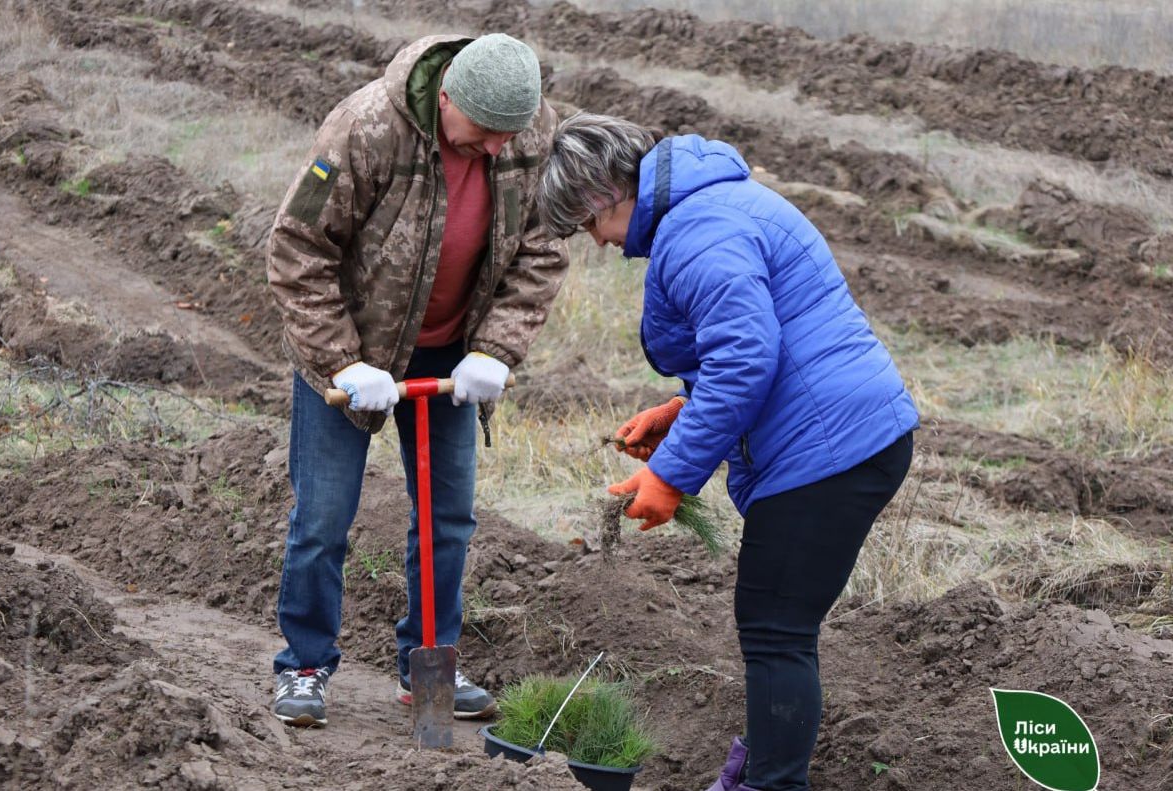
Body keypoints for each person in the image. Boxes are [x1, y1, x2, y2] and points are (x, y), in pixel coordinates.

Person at [538, 113, 919, 791]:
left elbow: (746, 358)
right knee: (777, 622)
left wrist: (672, 474)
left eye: (584, 224)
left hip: (828, 451)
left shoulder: (694, 232)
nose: (595, 242)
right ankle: (764, 767)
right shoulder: (712, 203)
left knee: (775, 626)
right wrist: (682, 417)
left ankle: (771, 784)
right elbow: (763, 345)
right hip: (846, 432)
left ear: (603, 195)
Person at [265, 33, 568, 727]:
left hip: (451, 354)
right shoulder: (366, 129)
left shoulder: (529, 134)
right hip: (354, 353)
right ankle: (304, 665)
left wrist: (495, 350)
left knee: (448, 519)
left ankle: (429, 668)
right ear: (446, 97)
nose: (496, 148)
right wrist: (343, 361)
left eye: (508, 135)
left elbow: (544, 248)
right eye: (483, 133)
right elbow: (297, 246)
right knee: (323, 518)